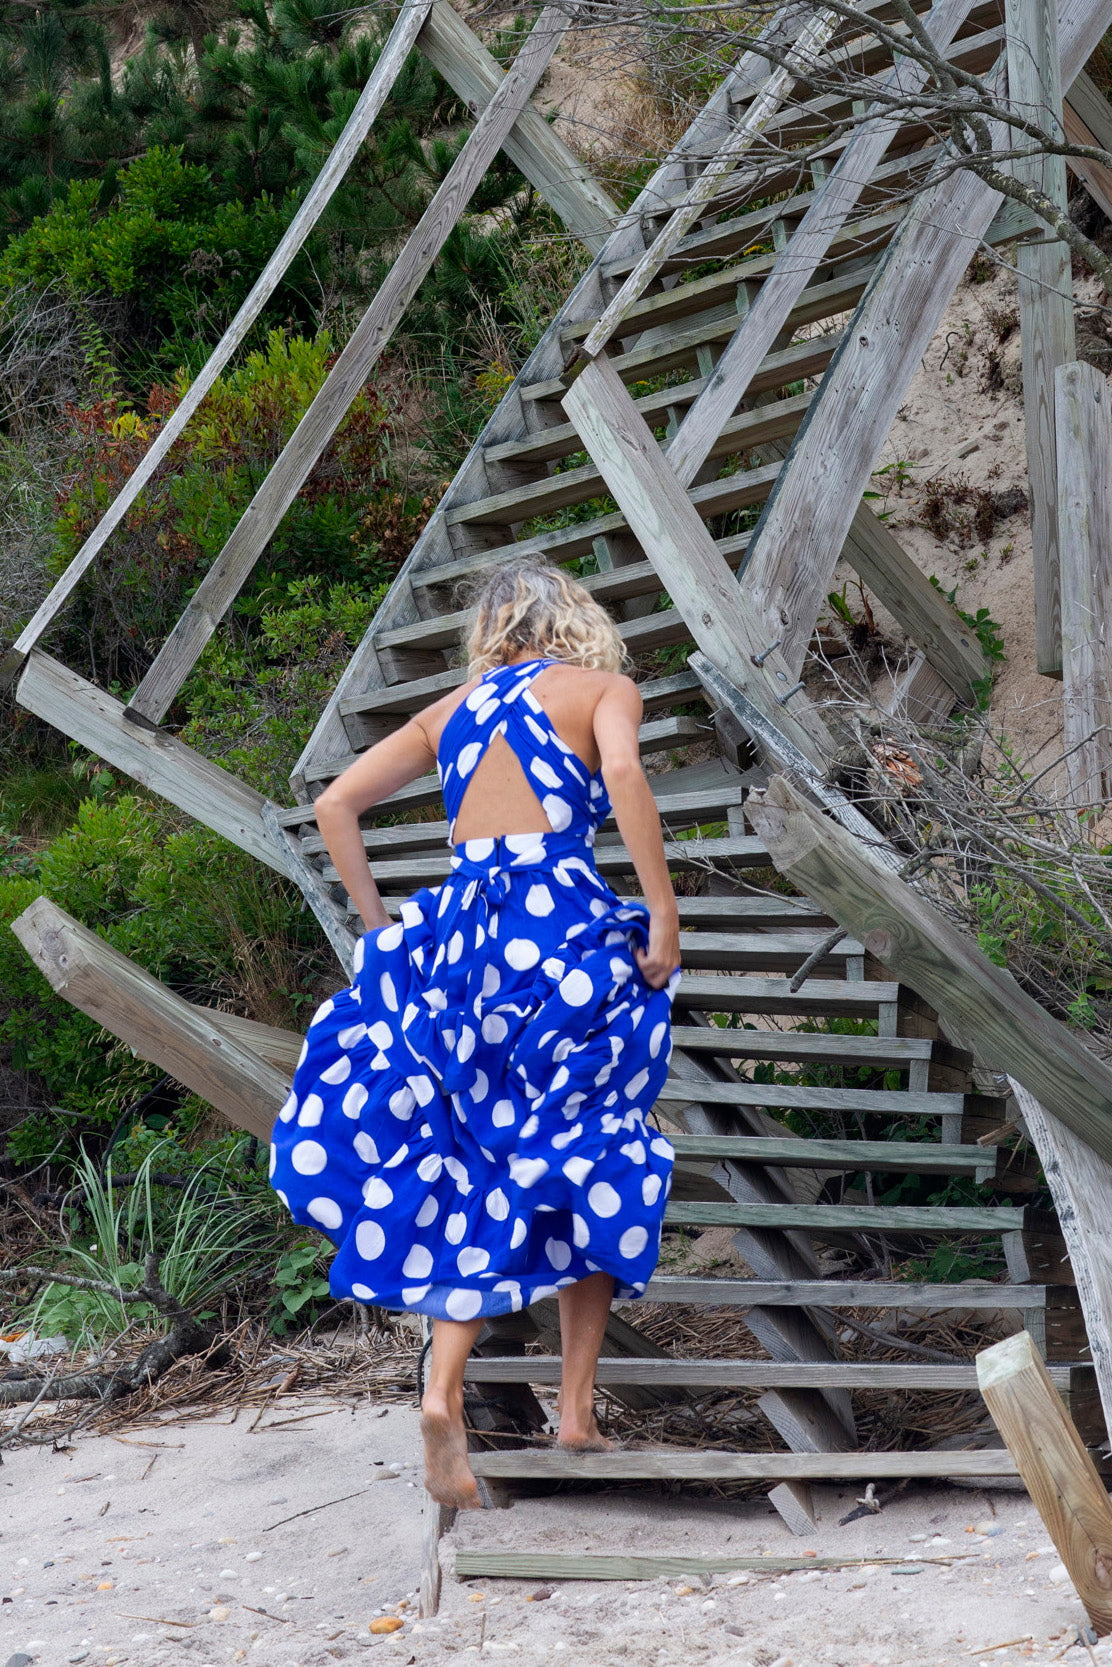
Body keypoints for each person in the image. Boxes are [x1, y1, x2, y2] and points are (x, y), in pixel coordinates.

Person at [270, 559, 682, 1509]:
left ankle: (440, 1389)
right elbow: (620, 771)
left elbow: (335, 804)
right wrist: (661, 911)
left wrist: (376, 928)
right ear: (572, 618)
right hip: (559, 935)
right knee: (598, 1149)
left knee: (477, 1165)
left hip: (462, 946)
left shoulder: (450, 711)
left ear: (489, 630)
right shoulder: (601, 690)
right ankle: (576, 1410)